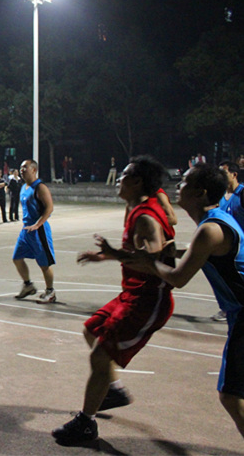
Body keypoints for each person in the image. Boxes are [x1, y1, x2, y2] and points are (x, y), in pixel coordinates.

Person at [105, 163, 244, 439]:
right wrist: (177, 251)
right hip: (237, 313)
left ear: (200, 193)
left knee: (230, 395)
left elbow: (178, 278)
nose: (178, 186)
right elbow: (207, 252)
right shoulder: (216, 220)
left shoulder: (209, 230)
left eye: (185, 182)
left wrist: (149, 262)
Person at [52, 155, 176, 445]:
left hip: (148, 300)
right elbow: (139, 253)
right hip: (131, 293)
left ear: (137, 182)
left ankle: (86, 424)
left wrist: (115, 253)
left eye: (124, 175)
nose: (119, 179)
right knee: (91, 330)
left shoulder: (146, 217)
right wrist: (105, 256)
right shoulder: (135, 209)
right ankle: (113, 390)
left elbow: (155, 259)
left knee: (100, 354)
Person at [13, 160, 58, 303]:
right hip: (26, 230)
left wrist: (38, 224)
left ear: (33, 170)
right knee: (17, 258)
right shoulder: (24, 187)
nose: (22, 170)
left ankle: (50, 291)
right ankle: (28, 285)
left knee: (44, 264)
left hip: (39, 231)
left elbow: (49, 208)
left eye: (25, 167)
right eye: (21, 167)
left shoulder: (40, 187)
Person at [211, 161, 244, 322]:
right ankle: (227, 309)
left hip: (241, 247)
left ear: (234, 174)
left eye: (223, 173)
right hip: (229, 248)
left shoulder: (242, 194)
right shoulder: (221, 196)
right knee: (226, 280)